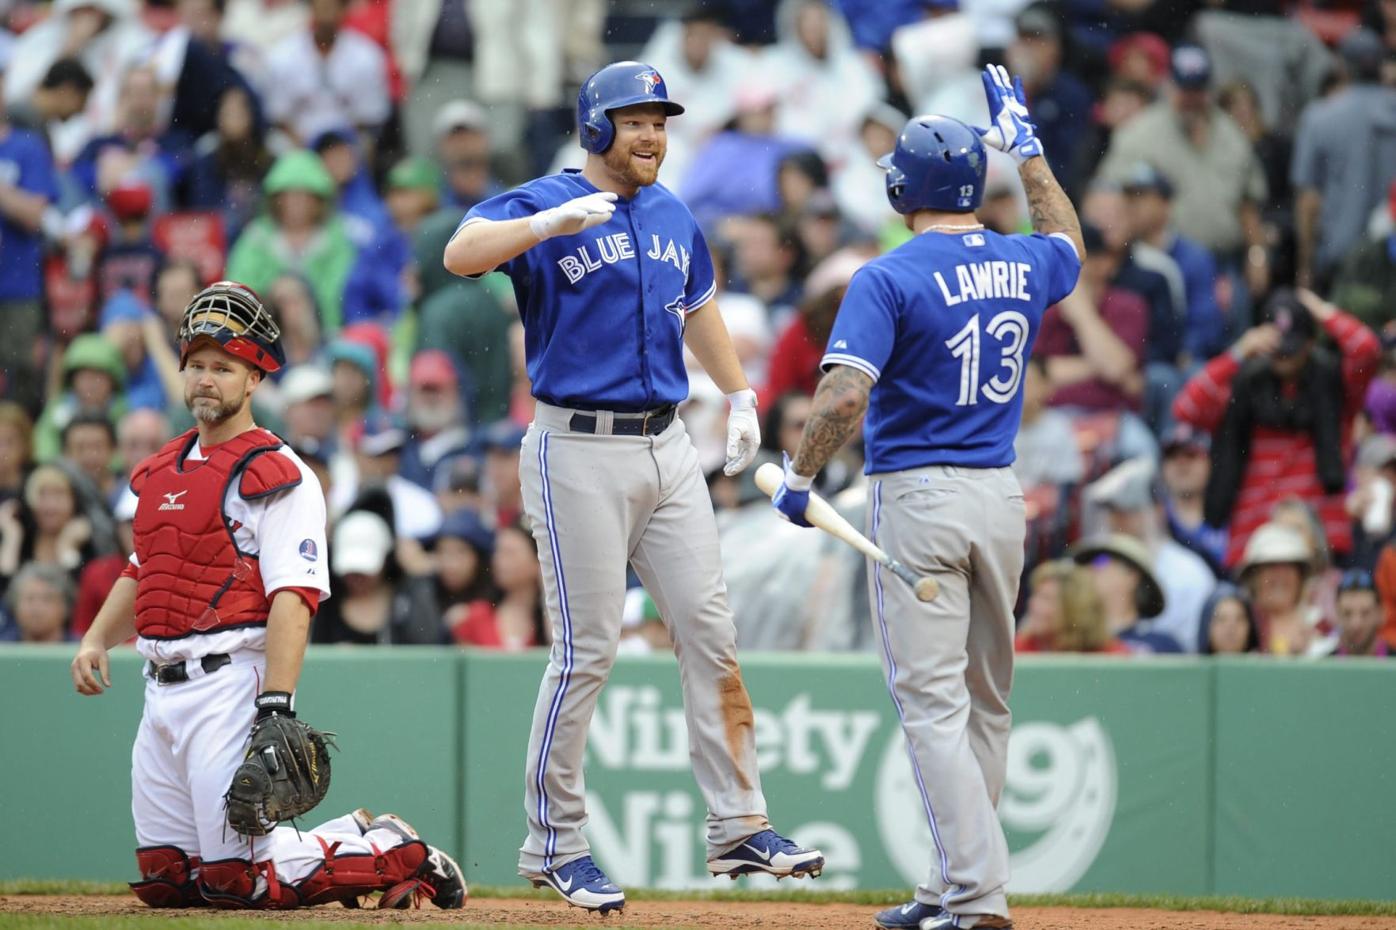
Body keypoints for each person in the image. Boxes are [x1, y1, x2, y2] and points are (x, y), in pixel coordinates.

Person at [443, 60, 823, 913]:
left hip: (665, 443)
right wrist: (543, 225)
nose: (651, 133)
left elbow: (698, 308)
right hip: (574, 445)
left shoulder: (673, 211)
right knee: (588, 652)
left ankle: (738, 826)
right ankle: (555, 844)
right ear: (595, 125)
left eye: (660, 119)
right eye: (635, 118)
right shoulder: (543, 198)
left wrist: (739, 393)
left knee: (710, 633)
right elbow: (459, 253)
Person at [771, 66, 1083, 930]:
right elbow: (1072, 246)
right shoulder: (1023, 259)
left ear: (906, 187)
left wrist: (798, 481)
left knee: (933, 706)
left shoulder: (888, 275)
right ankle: (957, 884)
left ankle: (976, 895)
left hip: (920, 497)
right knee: (983, 702)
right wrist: (1033, 159)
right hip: (1000, 495)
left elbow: (839, 397)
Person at [68, 280, 466, 910]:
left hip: (231, 681)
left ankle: (396, 853)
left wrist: (276, 703)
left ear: (253, 378)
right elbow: (144, 569)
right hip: (161, 686)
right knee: (168, 881)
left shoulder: (279, 474)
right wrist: (96, 638)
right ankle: (356, 836)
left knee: (241, 881)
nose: (206, 379)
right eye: (196, 365)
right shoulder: (164, 469)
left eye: (223, 367)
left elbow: (294, 595)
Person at [1173, 288, 1380, 568]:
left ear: (1309, 343)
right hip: (1253, 546)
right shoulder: (1244, 386)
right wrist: (1237, 353)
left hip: (1320, 546)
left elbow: (1366, 349)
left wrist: (1320, 311)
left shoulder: (1335, 387)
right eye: (1277, 349)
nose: (1283, 358)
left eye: (1291, 349)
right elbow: (1185, 408)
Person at [1070, 533, 1181, 654]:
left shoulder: (1161, 646)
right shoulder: (1071, 641)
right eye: (1084, 565)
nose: (1088, 569)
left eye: (1100, 561)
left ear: (1131, 575)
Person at [1329, 568, 1390, 657]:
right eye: (1347, 613)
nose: (1356, 624)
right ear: (1337, 615)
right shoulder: (1320, 668)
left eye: (1365, 613)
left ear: (1380, 613)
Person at [1197, 582, 1260, 654]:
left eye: (1239, 619)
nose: (1231, 628)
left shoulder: (1265, 663)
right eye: (1222, 619)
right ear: (1206, 625)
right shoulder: (1190, 664)